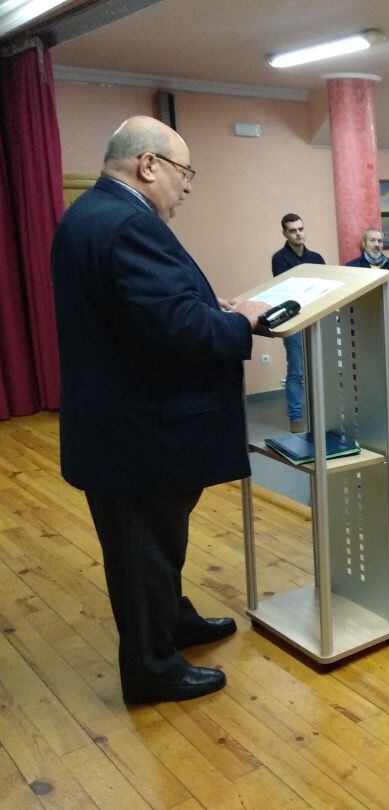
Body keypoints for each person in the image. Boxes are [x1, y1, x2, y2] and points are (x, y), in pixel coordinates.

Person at [51, 116, 271, 704]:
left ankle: (172, 623)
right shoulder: (128, 224)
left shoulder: (91, 213)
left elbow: (143, 312)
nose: (188, 186)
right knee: (143, 551)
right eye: (184, 172)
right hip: (139, 430)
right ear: (148, 165)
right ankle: (151, 668)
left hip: (122, 422)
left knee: (157, 543)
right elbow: (181, 330)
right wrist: (239, 319)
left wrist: (208, 304)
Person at [271, 213, 326, 433]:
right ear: (285, 233)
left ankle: (320, 412)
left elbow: (325, 286)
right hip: (292, 321)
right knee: (296, 371)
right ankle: (296, 416)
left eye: (301, 229)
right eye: (293, 230)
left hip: (316, 318)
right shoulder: (280, 258)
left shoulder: (316, 257)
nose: (298, 234)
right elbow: (288, 290)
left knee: (319, 368)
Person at [346, 228, 389, 361]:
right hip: (364, 331)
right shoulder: (352, 267)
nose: (377, 244)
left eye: (380, 241)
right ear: (364, 244)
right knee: (368, 366)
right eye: (372, 240)